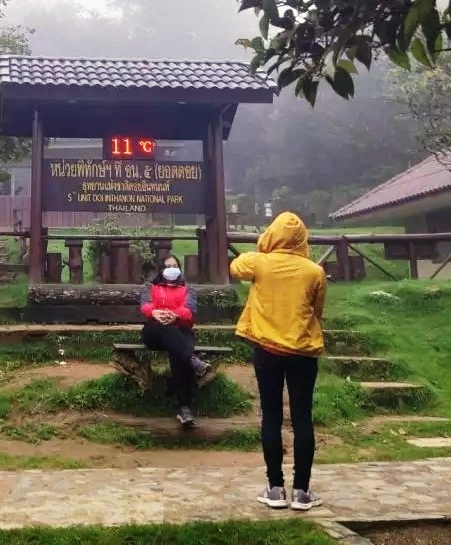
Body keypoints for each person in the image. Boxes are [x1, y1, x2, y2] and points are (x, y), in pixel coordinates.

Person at [229, 211, 327, 512]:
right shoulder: (314, 271)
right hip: (302, 352)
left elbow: (234, 267)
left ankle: (274, 489)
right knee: (302, 419)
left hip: (267, 350)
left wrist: (265, 249)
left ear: (273, 233)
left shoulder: (259, 262)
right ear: (302, 238)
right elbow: (317, 310)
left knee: (271, 416)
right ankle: (302, 492)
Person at [139, 255, 213, 426]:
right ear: (161, 269)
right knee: (175, 340)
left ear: (179, 268)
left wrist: (175, 316)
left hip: (179, 329)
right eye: (167, 266)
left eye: (174, 265)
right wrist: (155, 313)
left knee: (179, 353)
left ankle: (184, 409)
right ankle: (192, 359)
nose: (171, 268)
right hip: (155, 330)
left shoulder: (189, 288)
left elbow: (189, 311)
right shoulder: (151, 286)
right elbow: (145, 305)